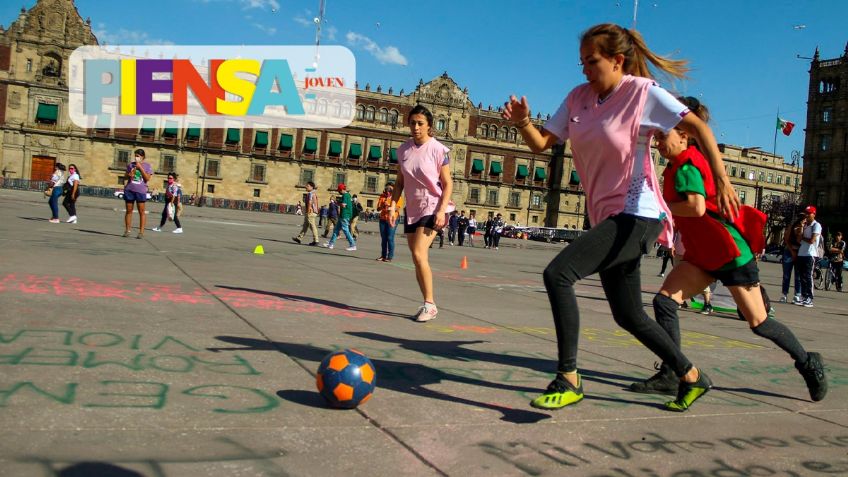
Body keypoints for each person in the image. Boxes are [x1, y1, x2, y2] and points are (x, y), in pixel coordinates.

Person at [502, 23, 739, 412]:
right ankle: (692, 376)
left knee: (558, 274)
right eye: (581, 62)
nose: (584, 70)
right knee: (628, 314)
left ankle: (569, 377)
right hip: (607, 218)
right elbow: (542, 143)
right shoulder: (578, 98)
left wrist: (723, 179)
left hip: (638, 213)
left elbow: (696, 126)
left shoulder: (641, 93)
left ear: (617, 60)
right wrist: (524, 122)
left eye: (591, 61)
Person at [628, 96, 827, 403]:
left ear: (684, 132)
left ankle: (807, 361)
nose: (657, 142)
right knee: (665, 303)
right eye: (655, 136)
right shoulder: (676, 165)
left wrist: (660, 205)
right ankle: (672, 373)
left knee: (760, 323)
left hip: (729, 253)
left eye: (662, 135)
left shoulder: (689, 165)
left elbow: (694, 208)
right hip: (703, 255)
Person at [388, 104, 454, 322]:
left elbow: (447, 183)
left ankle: (430, 304)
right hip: (412, 208)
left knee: (418, 253)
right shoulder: (403, 150)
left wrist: (442, 211)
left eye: (420, 124)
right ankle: (428, 302)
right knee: (418, 258)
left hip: (433, 206)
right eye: (412, 123)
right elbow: (399, 182)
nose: (415, 127)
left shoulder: (438, 150)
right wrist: (392, 205)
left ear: (429, 127)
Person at [123, 149, 153, 239]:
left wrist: (140, 168)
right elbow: (125, 176)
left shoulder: (147, 166)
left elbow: (147, 178)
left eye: (138, 156)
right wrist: (129, 174)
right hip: (130, 189)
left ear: (142, 157)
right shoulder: (130, 165)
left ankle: (141, 232)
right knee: (129, 210)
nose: (136, 157)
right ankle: (127, 230)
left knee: (141, 211)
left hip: (140, 191)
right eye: (135, 155)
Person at [795, 206, 822, 307]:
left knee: (808, 276)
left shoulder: (816, 225)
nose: (806, 215)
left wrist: (802, 237)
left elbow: (812, 240)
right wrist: (801, 228)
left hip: (810, 254)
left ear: (814, 214)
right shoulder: (805, 225)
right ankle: (804, 297)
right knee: (802, 276)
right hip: (801, 253)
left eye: (809, 213)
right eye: (806, 213)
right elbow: (798, 240)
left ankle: (810, 298)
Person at [322, 183, 356, 251]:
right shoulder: (348, 195)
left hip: (345, 215)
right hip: (343, 215)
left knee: (346, 230)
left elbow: (343, 205)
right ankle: (331, 244)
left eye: (339, 190)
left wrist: (336, 203)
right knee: (336, 230)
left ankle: (352, 245)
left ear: (342, 190)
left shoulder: (345, 195)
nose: (339, 192)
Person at [377, 182, 403, 262]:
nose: (388, 191)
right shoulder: (382, 197)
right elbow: (378, 209)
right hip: (383, 219)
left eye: (390, 189)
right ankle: (383, 255)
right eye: (386, 189)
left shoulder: (398, 197)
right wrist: (383, 205)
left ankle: (390, 256)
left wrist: (389, 205)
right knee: (383, 238)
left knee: (390, 237)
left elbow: (397, 209)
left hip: (393, 219)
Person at [781, 217, 804, 303]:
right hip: (789, 251)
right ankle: (784, 294)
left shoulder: (805, 228)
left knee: (798, 276)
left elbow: (801, 240)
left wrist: (801, 228)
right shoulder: (792, 227)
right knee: (786, 275)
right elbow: (786, 240)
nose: (804, 221)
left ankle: (797, 295)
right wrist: (792, 251)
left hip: (800, 252)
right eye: (803, 219)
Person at [293, 181, 320, 245]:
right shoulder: (313, 193)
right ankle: (299, 238)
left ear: (311, 187)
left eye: (307, 186)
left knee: (312, 226)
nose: (306, 187)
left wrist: (308, 211)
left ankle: (316, 240)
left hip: (310, 212)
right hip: (312, 212)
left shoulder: (311, 193)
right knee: (305, 226)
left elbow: (310, 202)